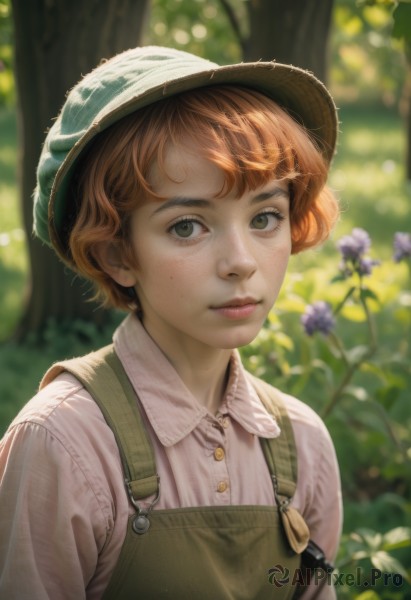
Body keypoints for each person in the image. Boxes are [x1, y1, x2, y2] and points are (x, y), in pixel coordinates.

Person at [0, 46, 342, 599]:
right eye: (187, 226)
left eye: (264, 217)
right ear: (118, 255)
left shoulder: (303, 443)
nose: (241, 261)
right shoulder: (63, 444)